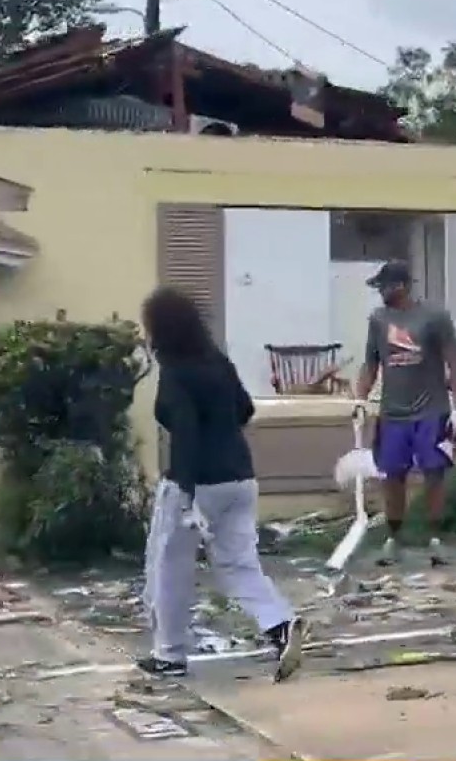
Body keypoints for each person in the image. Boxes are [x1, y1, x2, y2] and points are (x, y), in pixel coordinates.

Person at [137, 287, 304, 681]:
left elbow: (186, 434)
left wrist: (186, 494)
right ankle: (280, 625)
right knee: (238, 564)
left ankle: (170, 655)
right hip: (240, 478)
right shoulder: (218, 362)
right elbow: (244, 409)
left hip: (195, 482)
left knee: (169, 568)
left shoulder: (176, 372)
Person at [352, 260, 456, 567]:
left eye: (384, 286)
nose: (380, 292)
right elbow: (370, 363)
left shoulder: (434, 317)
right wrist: (359, 400)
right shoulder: (378, 319)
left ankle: (435, 539)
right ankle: (394, 539)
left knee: (434, 474)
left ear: (401, 286)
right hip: (393, 413)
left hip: (432, 410)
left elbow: (454, 362)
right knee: (392, 475)